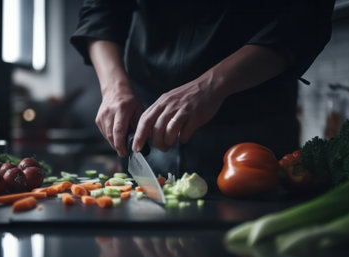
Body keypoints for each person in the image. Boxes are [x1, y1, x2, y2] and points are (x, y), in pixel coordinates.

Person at [71, 0, 335, 186]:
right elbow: (100, 10)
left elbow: (305, 17)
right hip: (146, 125)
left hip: (255, 135)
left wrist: (213, 84)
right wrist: (114, 88)